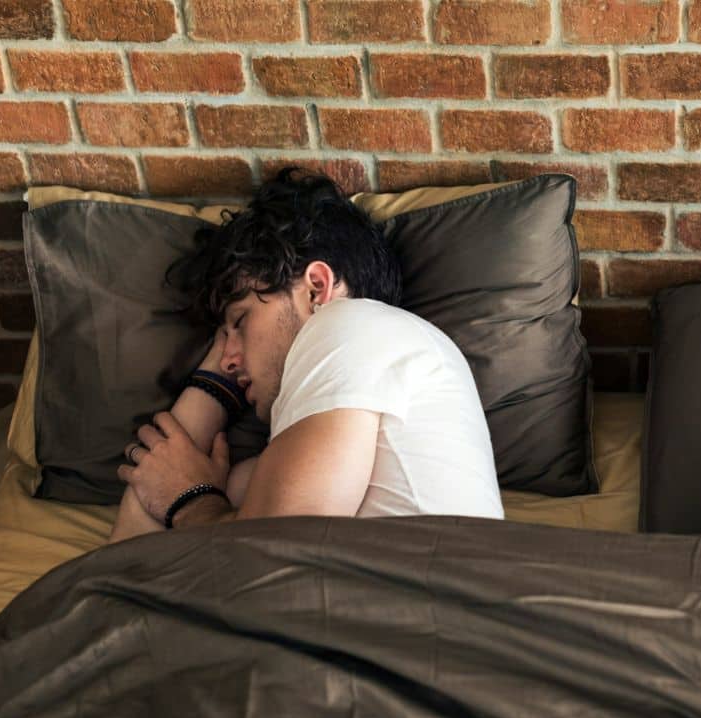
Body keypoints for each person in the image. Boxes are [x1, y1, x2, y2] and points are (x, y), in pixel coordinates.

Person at [108, 169, 504, 543]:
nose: (227, 359)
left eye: (240, 321)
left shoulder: (352, 322)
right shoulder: (281, 469)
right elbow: (131, 548)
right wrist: (216, 379)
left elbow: (280, 542)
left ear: (316, 289)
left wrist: (190, 500)